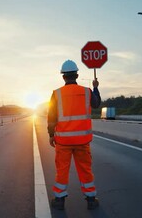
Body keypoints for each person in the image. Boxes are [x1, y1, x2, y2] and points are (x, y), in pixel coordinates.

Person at [47, 59, 101, 210]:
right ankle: (91, 200)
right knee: (85, 169)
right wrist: (96, 88)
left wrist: (51, 134)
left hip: (63, 141)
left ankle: (59, 201)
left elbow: (52, 117)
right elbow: (96, 104)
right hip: (82, 141)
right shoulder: (86, 91)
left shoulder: (56, 94)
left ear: (63, 76)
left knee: (62, 170)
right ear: (77, 75)